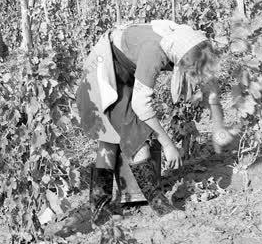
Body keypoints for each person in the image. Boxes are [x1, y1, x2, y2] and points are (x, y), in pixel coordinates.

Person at [76, 20, 236, 227]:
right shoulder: (155, 51)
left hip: (124, 69)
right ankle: (158, 204)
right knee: (135, 136)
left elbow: (210, 84)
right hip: (106, 71)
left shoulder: (191, 43)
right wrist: (169, 146)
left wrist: (218, 127)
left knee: (113, 138)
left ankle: (100, 207)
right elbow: (142, 106)